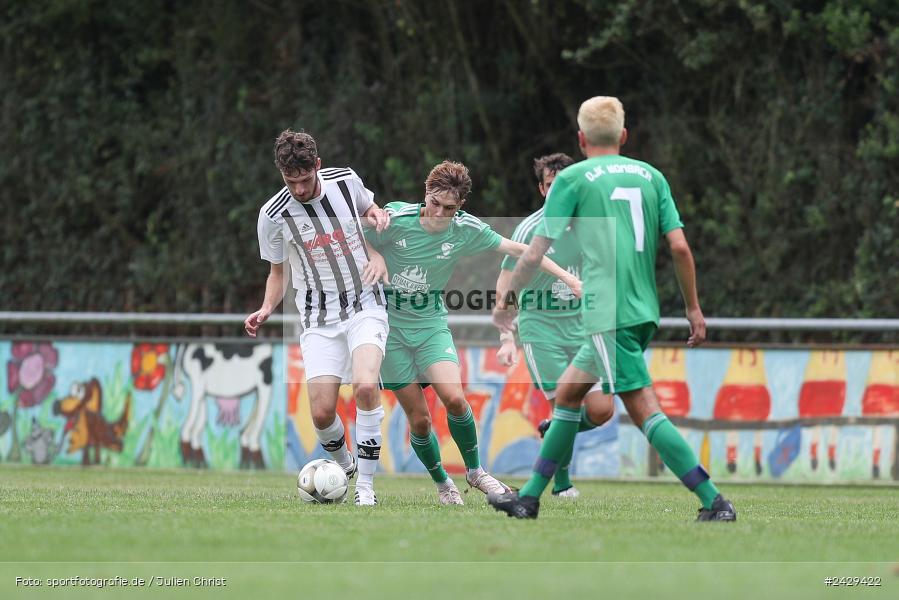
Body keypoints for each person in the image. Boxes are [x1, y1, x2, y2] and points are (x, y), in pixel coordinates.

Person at [489, 97, 736, 521]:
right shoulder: (651, 176)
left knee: (643, 407)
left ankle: (715, 502)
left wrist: (506, 306)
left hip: (607, 313)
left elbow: (533, 255)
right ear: (623, 136)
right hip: (643, 309)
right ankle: (528, 499)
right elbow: (678, 246)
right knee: (567, 397)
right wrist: (693, 308)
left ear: (582, 140)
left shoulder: (574, 179)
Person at [365, 160, 582, 505]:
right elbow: (350, 237)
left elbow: (523, 251)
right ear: (426, 193)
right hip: (389, 330)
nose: (438, 213)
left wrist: (568, 278)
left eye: (448, 208)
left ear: (460, 206)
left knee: (454, 398)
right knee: (419, 421)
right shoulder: (396, 218)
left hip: (430, 325)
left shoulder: (466, 229)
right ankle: (442, 484)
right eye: (434, 203)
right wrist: (374, 254)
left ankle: (476, 472)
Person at [245, 130, 391, 506]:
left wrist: (375, 215)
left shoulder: (346, 181)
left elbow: (369, 209)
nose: (298, 189)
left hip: (364, 302)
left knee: (364, 385)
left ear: (318, 167)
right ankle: (345, 466)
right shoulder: (272, 215)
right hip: (317, 316)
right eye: (289, 181)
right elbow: (278, 274)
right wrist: (266, 308)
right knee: (323, 412)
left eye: (305, 180)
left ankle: (365, 489)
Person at [495, 153, 614, 499]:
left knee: (602, 409)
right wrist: (507, 334)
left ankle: (554, 432)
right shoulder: (531, 229)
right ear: (541, 188)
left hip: (583, 329)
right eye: (550, 185)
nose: (557, 191)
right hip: (541, 328)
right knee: (566, 405)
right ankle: (562, 486)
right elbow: (505, 283)